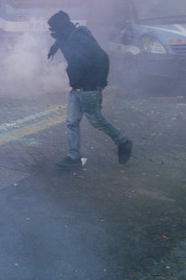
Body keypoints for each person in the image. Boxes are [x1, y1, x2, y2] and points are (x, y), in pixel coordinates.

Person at [47, 10, 132, 168]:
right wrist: (55, 46)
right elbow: (63, 39)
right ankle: (74, 157)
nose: (53, 32)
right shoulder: (69, 35)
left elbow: (102, 57)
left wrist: (100, 81)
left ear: (62, 27)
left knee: (96, 120)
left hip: (89, 88)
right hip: (76, 89)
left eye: (54, 29)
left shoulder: (79, 38)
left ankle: (123, 142)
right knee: (72, 122)